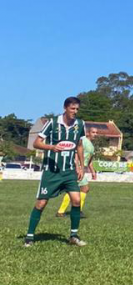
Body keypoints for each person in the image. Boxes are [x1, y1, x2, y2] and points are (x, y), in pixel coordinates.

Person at [24, 97, 87, 247]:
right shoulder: (52, 123)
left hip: (69, 171)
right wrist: (52, 147)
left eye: (77, 109)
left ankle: (73, 236)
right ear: (65, 108)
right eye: (72, 109)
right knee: (41, 203)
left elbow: (79, 145)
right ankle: (29, 237)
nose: (75, 112)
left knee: (77, 200)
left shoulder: (80, 124)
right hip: (51, 171)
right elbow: (37, 143)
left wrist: (81, 166)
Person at [56, 126, 98, 219]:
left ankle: (63, 211)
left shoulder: (91, 146)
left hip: (81, 169)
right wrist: (78, 167)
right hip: (76, 168)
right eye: (93, 132)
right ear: (88, 133)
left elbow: (89, 160)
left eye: (96, 133)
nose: (95, 134)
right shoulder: (83, 140)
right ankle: (75, 211)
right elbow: (76, 154)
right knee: (84, 188)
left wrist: (93, 172)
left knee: (75, 189)